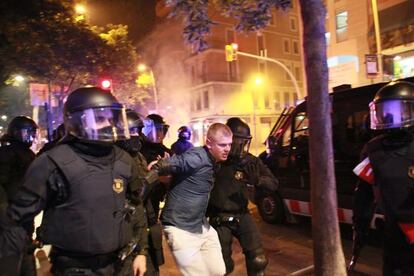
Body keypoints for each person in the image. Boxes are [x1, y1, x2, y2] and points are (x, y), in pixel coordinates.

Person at [0, 87, 148, 276]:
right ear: (78, 121)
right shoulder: (52, 162)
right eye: (101, 118)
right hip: (74, 268)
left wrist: (140, 251)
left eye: (111, 118)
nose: (108, 124)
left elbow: (135, 208)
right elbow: (17, 223)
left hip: (119, 265)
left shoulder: (123, 161)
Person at [146, 123, 232, 276]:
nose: (227, 149)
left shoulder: (214, 161)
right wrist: (148, 178)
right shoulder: (198, 157)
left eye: (229, 144)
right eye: (222, 145)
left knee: (218, 271)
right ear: (209, 143)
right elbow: (168, 164)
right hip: (180, 229)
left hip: (201, 227)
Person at [352, 80, 414, 275]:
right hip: (394, 233)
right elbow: (364, 194)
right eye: (385, 112)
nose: (391, 118)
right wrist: (360, 227)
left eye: (398, 111)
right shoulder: (373, 150)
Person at [208, 117, 278, 276]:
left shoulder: (250, 162)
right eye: (238, 141)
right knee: (220, 266)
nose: (241, 146)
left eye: (244, 142)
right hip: (218, 218)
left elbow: (273, 183)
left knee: (258, 260)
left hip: (242, 214)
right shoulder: (213, 159)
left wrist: (258, 180)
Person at [117, 109, 164, 276]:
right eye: (131, 131)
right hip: (126, 230)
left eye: (138, 130)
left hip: (144, 224)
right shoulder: (116, 158)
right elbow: (137, 192)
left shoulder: (138, 157)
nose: (135, 135)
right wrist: (155, 173)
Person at [0, 116, 38, 276]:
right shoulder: (6, 153)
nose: (29, 137)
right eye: (26, 133)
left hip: (23, 217)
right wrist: (6, 216)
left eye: (32, 134)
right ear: (16, 132)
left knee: (26, 259)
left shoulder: (26, 153)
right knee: (12, 263)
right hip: (11, 221)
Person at [140, 113, 172, 219]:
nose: (160, 133)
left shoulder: (166, 151)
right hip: (143, 199)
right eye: (157, 129)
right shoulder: (140, 150)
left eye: (162, 130)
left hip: (158, 197)